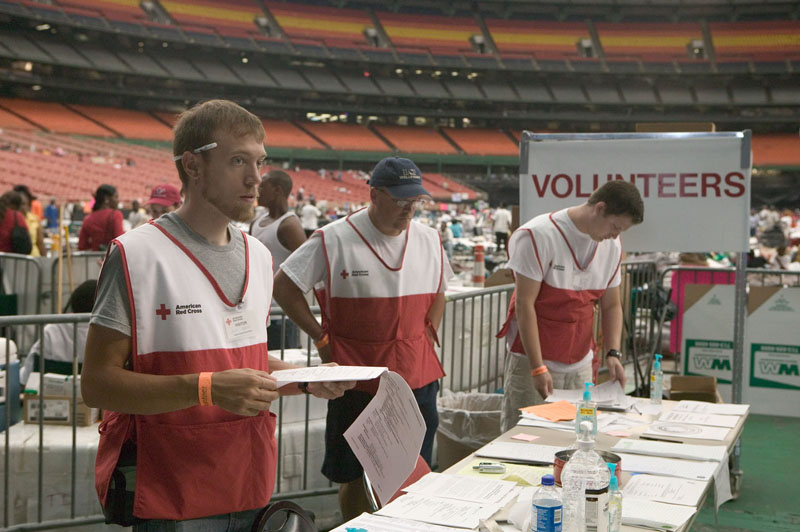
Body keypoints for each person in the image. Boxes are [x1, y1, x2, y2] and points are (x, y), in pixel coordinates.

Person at [80, 99, 354, 530]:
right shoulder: (136, 255)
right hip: (173, 489)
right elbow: (97, 385)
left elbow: (238, 365)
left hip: (248, 477)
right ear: (193, 165)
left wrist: (307, 379)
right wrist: (207, 389)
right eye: (238, 160)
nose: (255, 178)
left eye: (259, 162)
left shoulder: (259, 257)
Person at [273, 156, 452, 521]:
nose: (408, 209)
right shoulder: (333, 237)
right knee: (352, 473)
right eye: (400, 200)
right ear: (374, 194)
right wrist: (322, 339)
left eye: (414, 201)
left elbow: (440, 291)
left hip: (418, 377)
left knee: (415, 472)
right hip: (357, 382)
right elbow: (284, 286)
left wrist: (424, 336)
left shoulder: (430, 238)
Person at [497, 180, 644, 432]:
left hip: (580, 361)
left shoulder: (611, 246)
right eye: (615, 226)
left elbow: (612, 305)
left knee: (577, 435)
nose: (615, 235)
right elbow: (524, 304)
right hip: (536, 358)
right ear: (599, 208)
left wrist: (614, 353)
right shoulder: (538, 235)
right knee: (525, 436)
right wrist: (537, 365)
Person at [250, 170, 307, 350]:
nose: (258, 191)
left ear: (277, 190)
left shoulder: (290, 225)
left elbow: (307, 268)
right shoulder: (256, 222)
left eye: (263, 187)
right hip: (259, 312)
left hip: (281, 316)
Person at [20, 280, 96, 385]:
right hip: (97, 398)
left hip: (50, 397)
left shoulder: (51, 331)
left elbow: (27, 376)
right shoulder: (111, 335)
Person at [78, 184, 123, 251]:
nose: (118, 200)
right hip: (112, 259)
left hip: (94, 258)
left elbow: (82, 246)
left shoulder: (87, 219)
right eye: (116, 197)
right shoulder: (116, 215)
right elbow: (121, 242)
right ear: (106, 199)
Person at [14, 185, 45, 256]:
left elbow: (40, 243)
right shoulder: (9, 220)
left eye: (24, 204)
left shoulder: (34, 220)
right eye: (18, 204)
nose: (21, 207)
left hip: (33, 260)